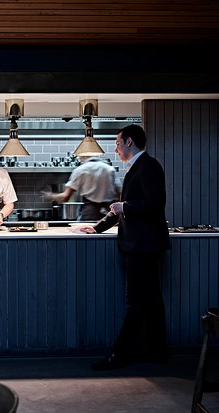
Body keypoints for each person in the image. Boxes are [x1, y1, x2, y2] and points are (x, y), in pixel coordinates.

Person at [78, 124, 170, 371]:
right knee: (151, 300)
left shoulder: (148, 166)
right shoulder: (138, 167)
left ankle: (120, 354)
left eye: (118, 143)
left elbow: (154, 204)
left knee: (136, 300)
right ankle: (157, 351)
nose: (115, 148)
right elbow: (122, 208)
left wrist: (125, 208)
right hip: (143, 245)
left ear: (129, 142)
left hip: (143, 246)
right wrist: (97, 228)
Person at [43, 155, 121, 221]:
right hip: (110, 210)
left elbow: (65, 197)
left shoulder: (80, 170)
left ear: (83, 157)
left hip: (90, 211)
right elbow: (120, 192)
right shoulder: (110, 169)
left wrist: (51, 196)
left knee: (86, 233)